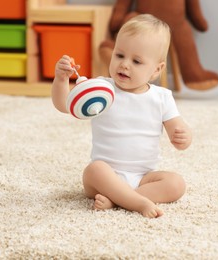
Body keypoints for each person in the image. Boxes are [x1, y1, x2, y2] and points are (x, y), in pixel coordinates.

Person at [52, 14, 192, 218]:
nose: (125, 64)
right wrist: (61, 80)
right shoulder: (101, 89)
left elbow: (179, 132)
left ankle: (119, 199)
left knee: (176, 184)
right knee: (94, 169)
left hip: (144, 177)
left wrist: (184, 137)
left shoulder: (162, 97)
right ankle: (136, 202)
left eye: (136, 61)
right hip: (105, 178)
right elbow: (64, 105)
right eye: (119, 55)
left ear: (156, 70)